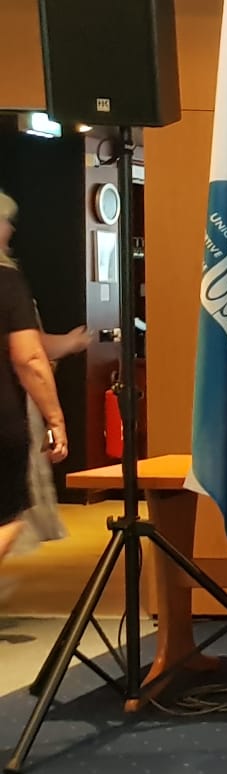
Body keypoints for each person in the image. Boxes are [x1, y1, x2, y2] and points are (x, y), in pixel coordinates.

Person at [0, 189, 76, 565]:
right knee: (8, 519)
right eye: (2, 221)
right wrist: (55, 419)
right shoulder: (6, 283)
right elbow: (29, 358)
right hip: (2, 423)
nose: (9, 230)